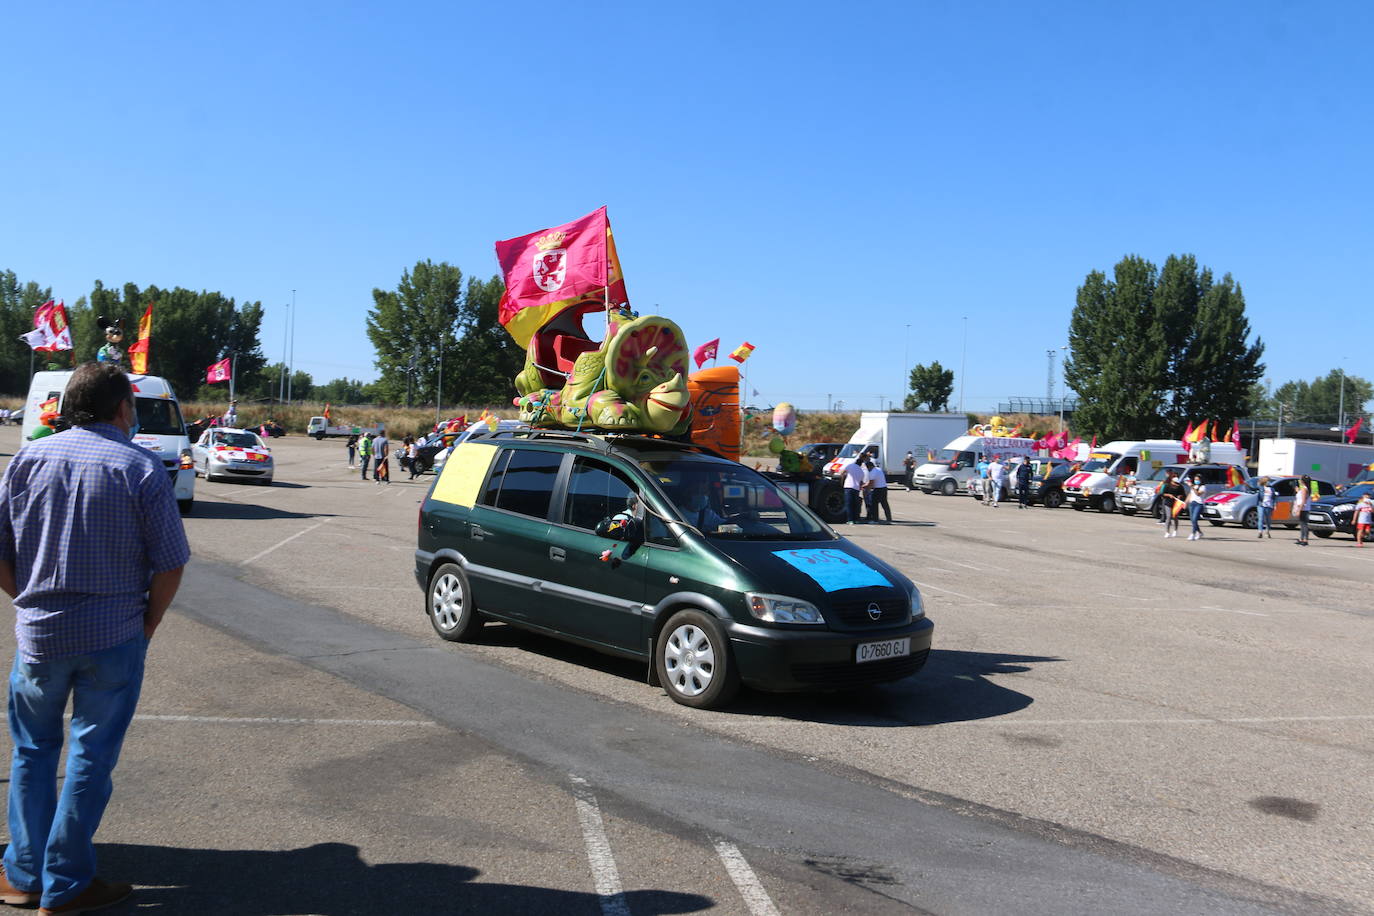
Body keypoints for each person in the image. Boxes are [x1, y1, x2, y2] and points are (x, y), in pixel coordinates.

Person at [0, 363, 189, 914]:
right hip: (113, 636)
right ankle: (66, 883)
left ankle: (21, 875)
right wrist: (149, 621)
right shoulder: (139, 467)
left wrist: (26, 598)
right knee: (91, 757)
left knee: (33, 753)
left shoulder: (28, 459)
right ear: (122, 409)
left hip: (40, 636)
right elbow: (171, 562)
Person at [864, 458, 892, 524]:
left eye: (868, 468)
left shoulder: (872, 472)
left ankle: (875, 520)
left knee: (874, 505)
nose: (868, 469)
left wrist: (865, 487)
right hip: (884, 488)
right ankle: (889, 518)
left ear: (870, 467)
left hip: (877, 489)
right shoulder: (879, 469)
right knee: (884, 504)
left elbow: (871, 484)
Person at [1160, 470, 1186, 538]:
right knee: (1168, 517)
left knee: (1175, 517)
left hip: (1176, 504)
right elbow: (1162, 494)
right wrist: (1168, 495)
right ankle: (1167, 532)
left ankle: (1175, 530)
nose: (1175, 479)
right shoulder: (1167, 485)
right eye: (1174, 477)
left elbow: (1183, 494)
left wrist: (1180, 496)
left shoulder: (1180, 486)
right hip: (1168, 502)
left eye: (1176, 477)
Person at [841, 458, 866, 524]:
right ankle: (856, 519)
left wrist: (842, 480)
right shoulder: (861, 471)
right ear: (861, 464)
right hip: (856, 489)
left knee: (848, 504)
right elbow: (861, 482)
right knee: (855, 505)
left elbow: (842, 472)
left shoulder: (850, 465)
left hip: (848, 487)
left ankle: (850, 520)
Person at [1292, 474, 1312, 546]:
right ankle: (1301, 539)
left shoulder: (1304, 489)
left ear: (1303, 481)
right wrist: (1298, 491)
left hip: (1303, 509)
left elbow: (1303, 500)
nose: (1299, 481)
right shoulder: (1305, 488)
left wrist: (1299, 510)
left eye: (1300, 480)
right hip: (1304, 508)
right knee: (1302, 524)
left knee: (1304, 525)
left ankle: (1305, 540)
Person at [1186, 474, 1206, 540]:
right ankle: (1200, 532)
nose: (1196, 481)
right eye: (1195, 479)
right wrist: (1186, 502)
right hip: (1192, 503)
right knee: (1192, 520)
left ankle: (1193, 533)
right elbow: (1190, 494)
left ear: (1201, 480)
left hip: (1199, 504)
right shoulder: (1194, 486)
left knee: (1194, 519)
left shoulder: (1203, 487)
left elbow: (1198, 494)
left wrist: (1192, 487)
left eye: (1197, 479)